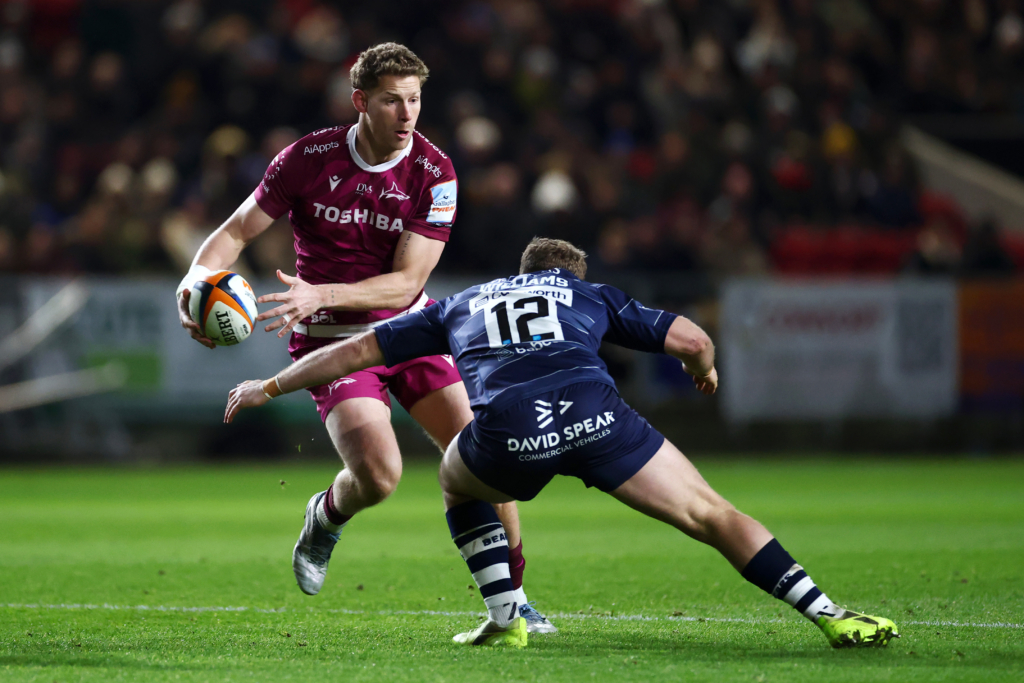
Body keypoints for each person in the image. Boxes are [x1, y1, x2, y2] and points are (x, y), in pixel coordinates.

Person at [223, 237, 899, 649]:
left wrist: (269, 385)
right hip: (597, 419)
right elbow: (692, 338)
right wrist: (705, 370)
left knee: (455, 477)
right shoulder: (588, 294)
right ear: (570, 274)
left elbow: (353, 351)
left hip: (508, 434)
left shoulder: (461, 303)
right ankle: (830, 614)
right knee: (710, 513)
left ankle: (505, 614)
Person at [176, 42, 554, 633]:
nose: (407, 114)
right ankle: (325, 517)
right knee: (380, 476)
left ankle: (515, 598)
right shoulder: (307, 158)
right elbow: (235, 232)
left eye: (415, 100)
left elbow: (406, 283)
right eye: (391, 101)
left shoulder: (435, 173)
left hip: (410, 329)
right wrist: (194, 282)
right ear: (360, 102)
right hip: (331, 342)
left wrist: (319, 292)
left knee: (484, 458)